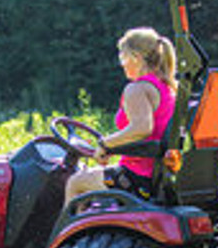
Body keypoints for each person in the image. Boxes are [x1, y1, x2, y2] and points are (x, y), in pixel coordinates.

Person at [64, 26, 177, 202]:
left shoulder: (137, 89)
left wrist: (105, 143)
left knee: (75, 183)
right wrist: (113, 147)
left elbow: (142, 128)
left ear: (136, 58)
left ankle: (69, 230)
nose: (121, 63)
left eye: (123, 57)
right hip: (153, 175)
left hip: (136, 179)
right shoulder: (167, 87)